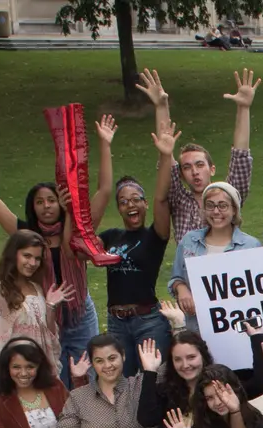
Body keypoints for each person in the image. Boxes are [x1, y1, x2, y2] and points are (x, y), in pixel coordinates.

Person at [0, 119, 101, 381]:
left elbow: (101, 191)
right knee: (55, 380)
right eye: (39, 202)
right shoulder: (26, 235)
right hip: (44, 312)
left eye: (51, 200)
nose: (46, 206)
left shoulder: (73, 233)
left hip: (77, 312)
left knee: (88, 379)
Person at [90, 102, 179, 377]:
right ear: (118, 208)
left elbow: (162, 196)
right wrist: (105, 146)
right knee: (121, 387)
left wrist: (166, 157)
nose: (131, 205)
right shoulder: (110, 237)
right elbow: (82, 236)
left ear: (144, 204)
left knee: (156, 383)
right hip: (116, 323)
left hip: (148, 322)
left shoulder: (155, 235)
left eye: (136, 199)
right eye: (123, 201)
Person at [141, 67, 256, 258]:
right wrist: (161, 106)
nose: (194, 171)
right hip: (189, 281)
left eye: (200, 165)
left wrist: (243, 108)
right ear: (181, 173)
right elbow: (166, 150)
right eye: (187, 167)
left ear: (212, 169)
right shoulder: (179, 201)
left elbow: (240, 157)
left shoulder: (227, 194)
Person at [0, 232, 69, 371]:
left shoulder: (37, 288)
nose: (32, 263)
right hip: (14, 372)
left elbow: (49, 337)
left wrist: (50, 306)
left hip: (40, 370)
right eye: (27, 256)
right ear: (13, 254)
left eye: (37, 258)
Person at [57, 334, 157, 428]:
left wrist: (178, 327)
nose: (107, 366)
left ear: (123, 356)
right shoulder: (78, 397)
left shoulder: (141, 386)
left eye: (112, 358)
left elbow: (178, 368)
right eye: (99, 361)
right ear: (92, 364)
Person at [169, 182, 263, 320]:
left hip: (238, 324)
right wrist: (181, 287)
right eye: (210, 205)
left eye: (223, 205)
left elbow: (261, 289)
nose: (215, 211)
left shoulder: (251, 246)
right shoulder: (189, 241)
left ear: (234, 210)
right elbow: (176, 277)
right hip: (196, 326)